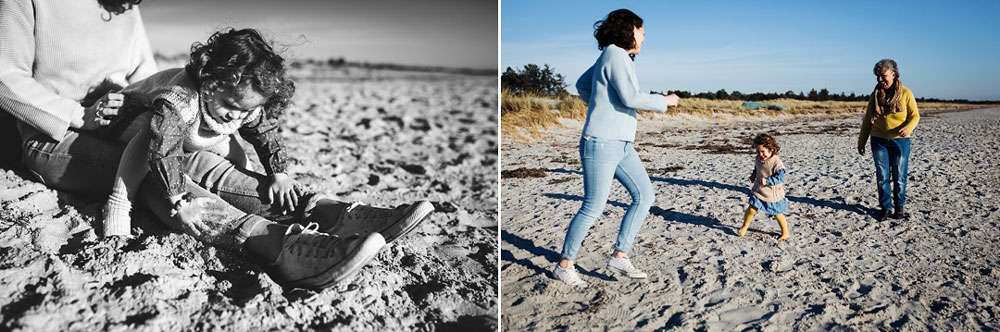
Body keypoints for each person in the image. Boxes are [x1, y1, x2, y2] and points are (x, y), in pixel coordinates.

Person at [0, 0, 434, 290]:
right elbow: (5, 78)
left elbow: (147, 77)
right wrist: (83, 115)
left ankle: (331, 215)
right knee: (161, 165)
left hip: (132, 122)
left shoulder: (125, 8)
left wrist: (139, 108)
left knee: (203, 160)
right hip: (57, 137)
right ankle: (277, 245)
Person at [553, 9, 680, 288]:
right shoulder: (615, 54)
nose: (644, 39)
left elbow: (583, 85)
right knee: (593, 206)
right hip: (600, 142)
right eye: (642, 32)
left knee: (644, 195)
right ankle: (564, 265)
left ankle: (620, 255)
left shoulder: (616, 56)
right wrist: (665, 100)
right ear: (630, 30)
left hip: (622, 144)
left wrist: (603, 104)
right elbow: (630, 97)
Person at [857, 59, 919, 221]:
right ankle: (885, 207)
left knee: (899, 176)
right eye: (877, 76)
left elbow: (915, 116)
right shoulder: (875, 95)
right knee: (882, 176)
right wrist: (861, 141)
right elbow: (867, 120)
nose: (880, 80)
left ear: (894, 74)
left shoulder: (906, 93)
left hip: (900, 141)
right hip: (878, 140)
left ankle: (899, 207)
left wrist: (908, 128)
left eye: (883, 76)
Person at [738, 133, 790, 240]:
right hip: (759, 190)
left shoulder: (776, 163)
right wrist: (753, 175)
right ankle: (744, 226)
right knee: (751, 208)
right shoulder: (758, 159)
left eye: (763, 151)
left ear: (771, 149)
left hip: (772, 193)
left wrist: (768, 181)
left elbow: (781, 178)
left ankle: (785, 232)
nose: (760, 154)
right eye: (758, 151)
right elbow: (757, 169)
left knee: (777, 213)